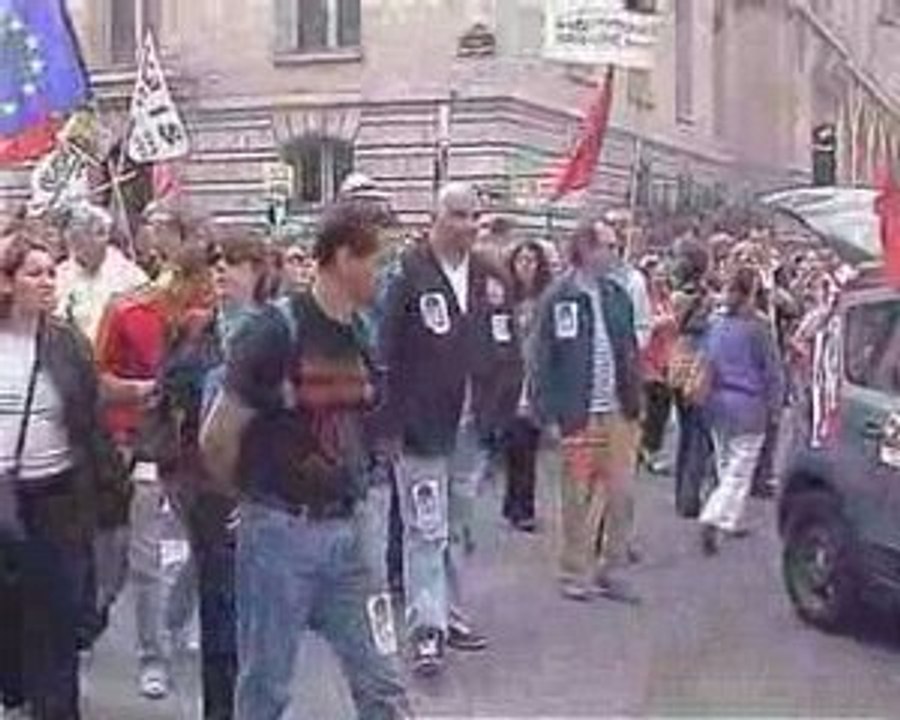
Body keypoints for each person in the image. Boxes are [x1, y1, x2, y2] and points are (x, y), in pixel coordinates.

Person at [221, 201, 411, 719]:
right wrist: (252, 501)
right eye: (379, 260)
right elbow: (220, 434)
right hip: (281, 533)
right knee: (266, 685)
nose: (386, 272)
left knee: (383, 679)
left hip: (352, 535)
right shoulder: (274, 331)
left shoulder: (365, 333)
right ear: (345, 257)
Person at [377, 182, 520, 674]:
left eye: (473, 216)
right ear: (436, 217)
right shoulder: (407, 274)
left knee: (457, 526)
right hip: (420, 428)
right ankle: (427, 629)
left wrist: (499, 414)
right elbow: (384, 353)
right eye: (457, 214)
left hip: (472, 427)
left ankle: (450, 612)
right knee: (425, 528)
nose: (467, 224)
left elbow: (508, 349)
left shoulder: (491, 277)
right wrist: (388, 422)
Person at [0, 230, 129, 720]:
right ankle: (16, 694)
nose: (47, 281)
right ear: (7, 283)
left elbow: (91, 425)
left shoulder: (67, 344)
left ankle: (54, 708)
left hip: (58, 501)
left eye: (51, 272)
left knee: (56, 623)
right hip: (2, 500)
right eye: (34, 273)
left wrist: (111, 501)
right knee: (10, 620)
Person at [94, 235, 212, 700]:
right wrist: (141, 391)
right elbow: (97, 378)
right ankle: (151, 655)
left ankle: (172, 622)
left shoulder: (213, 320)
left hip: (193, 451)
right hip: (138, 442)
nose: (209, 294)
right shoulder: (128, 310)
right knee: (141, 558)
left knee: (206, 546)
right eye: (204, 282)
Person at [532, 217, 643, 604]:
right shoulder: (558, 297)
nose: (615, 252)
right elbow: (542, 357)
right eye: (608, 245)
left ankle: (612, 568)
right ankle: (574, 570)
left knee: (621, 493)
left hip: (617, 410)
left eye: (616, 246)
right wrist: (545, 412)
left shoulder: (617, 295)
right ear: (586, 249)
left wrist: (635, 400)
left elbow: (629, 349)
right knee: (577, 494)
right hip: (578, 413)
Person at [699, 267, 784, 555]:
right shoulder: (759, 327)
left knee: (725, 462)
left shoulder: (716, 322)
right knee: (740, 469)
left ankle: (727, 517)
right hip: (749, 403)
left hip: (716, 401)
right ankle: (717, 515)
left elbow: (707, 360)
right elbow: (772, 370)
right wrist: (776, 406)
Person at [501, 240, 553, 532]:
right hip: (509, 379)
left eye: (531, 261)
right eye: (521, 260)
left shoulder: (546, 301)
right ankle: (514, 504)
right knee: (514, 445)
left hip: (534, 381)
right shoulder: (505, 299)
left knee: (528, 445)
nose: (526, 266)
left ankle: (524, 507)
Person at [670, 237, 716, 519]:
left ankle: (680, 493)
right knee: (699, 434)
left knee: (686, 433)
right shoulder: (706, 298)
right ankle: (690, 497)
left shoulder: (676, 296)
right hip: (699, 362)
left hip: (678, 362)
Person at [55, 203, 147, 343]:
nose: (78, 246)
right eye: (75, 239)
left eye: (101, 234)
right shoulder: (59, 276)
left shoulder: (129, 274)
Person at [639, 254, 676, 474]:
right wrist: (661, 322)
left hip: (667, 360)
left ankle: (648, 449)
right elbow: (643, 325)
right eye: (657, 274)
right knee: (656, 407)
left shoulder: (668, 299)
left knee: (661, 410)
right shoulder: (644, 299)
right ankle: (650, 452)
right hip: (648, 362)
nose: (661, 279)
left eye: (664, 274)